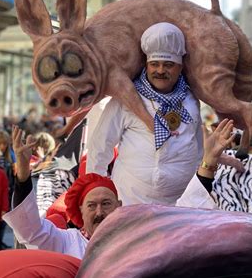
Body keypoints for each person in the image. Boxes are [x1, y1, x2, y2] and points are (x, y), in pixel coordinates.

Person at [3, 121, 233, 259]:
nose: (99, 212)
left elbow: (183, 215)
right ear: (81, 212)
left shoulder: (137, 238)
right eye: (91, 206)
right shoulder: (65, 241)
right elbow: (30, 230)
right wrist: (23, 177)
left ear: (119, 207)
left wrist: (209, 162)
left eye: (106, 203)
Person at [86, 22, 215, 206]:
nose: (160, 70)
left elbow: (197, 150)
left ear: (179, 68)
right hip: (130, 201)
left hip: (179, 205)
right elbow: (100, 149)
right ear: (147, 65)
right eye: (155, 64)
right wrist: (93, 195)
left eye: (168, 65)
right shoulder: (125, 99)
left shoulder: (191, 101)